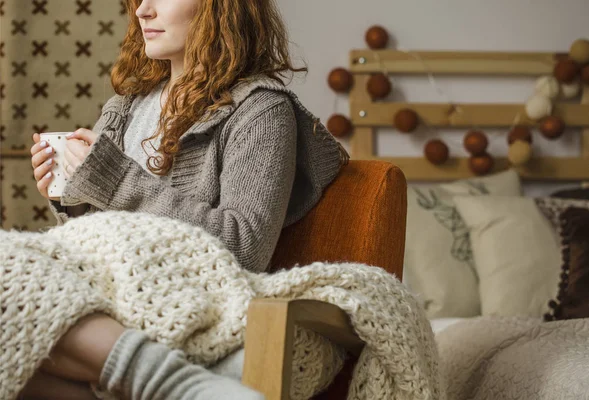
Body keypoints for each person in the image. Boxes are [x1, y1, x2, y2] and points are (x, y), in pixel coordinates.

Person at [23, 0, 347, 398]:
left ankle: (158, 376)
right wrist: (75, 197)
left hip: (195, 305)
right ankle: (163, 379)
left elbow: (244, 248)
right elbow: (106, 240)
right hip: (116, 297)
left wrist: (115, 181)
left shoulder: (261, 111)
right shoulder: (124, 107)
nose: (142, 11)